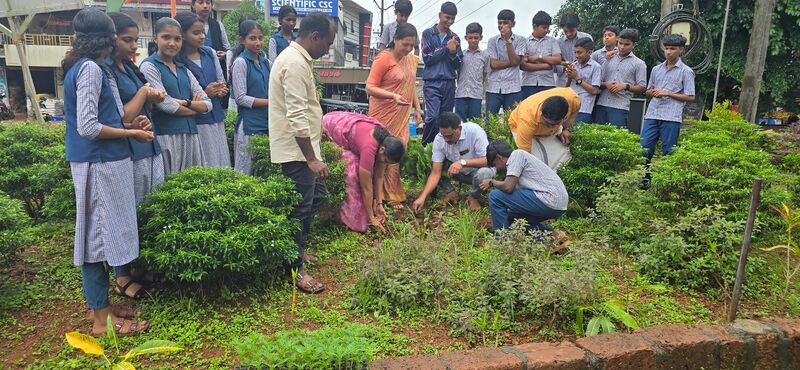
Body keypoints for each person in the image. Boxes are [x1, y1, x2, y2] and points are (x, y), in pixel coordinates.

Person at [63, 9, 152, 336]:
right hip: (98, 163)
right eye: (117, 34)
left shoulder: (96, 68)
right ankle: (101, 320)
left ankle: (101, 307)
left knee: (104, 237)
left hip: (107, 160)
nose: (121, 41)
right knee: (96, 242)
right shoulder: (89, 69)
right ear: (106, 37)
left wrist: (131, 124)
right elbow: (87, 127)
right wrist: (130, 134)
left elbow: (105, 119)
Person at [269, 12, 337, 295]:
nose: (328, 49)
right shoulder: (294, 63)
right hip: (297, 154)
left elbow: (305, 108)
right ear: (315, 37)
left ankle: (299, 251)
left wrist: (318, 130)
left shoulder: (299, 59)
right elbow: (296, 115)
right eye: (328, 43)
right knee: (299, 210)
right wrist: (311, 158)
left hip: (304, 148)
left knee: (314, 198)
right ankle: (294, 268)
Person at [107, 12, 166, 204]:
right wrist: (143, 93)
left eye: (135, 40)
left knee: (154, 202)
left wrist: (152, 97)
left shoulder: (129, 66)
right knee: (136, 206)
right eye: (127, 40)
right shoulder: (105, 70)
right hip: (130, 148)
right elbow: (122, 117)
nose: (133, 46)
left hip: (148, 141)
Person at [141, 17, 213, 175]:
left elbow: (208, 105)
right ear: (155, 38)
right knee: (170, 183)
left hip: (191, 135)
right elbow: (165, 105)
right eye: (166, 37)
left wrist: (184, 103)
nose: (172, 43)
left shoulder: (183, 69)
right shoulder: (149, 66)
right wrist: (195, 108)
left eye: (177, 39)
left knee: (192, 184)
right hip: (166, 135)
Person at [366, 23, 422, 208]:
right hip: (383, 115)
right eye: (404, 44)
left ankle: (392, 195)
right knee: (381, 152)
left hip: (402, 115)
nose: (408, 49)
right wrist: (392, 96)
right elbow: (370, 88)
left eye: (411, 46)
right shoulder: (383, 59)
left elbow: (411, 84)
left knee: (398, 151)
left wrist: (418, 108)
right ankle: (375, 196)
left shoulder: (411, 60)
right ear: (395, 40)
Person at [322, 112, 406, 232]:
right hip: (331, 127)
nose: (386, 164)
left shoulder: (388, 142)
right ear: (382, 150)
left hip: (352, 132)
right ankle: (345, 220)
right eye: (386, 161)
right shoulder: (370, 147)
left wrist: (379, 204)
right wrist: (371, 218)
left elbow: (378, 176)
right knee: (353, 172)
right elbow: (365, 187)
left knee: (366, 173)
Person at [175, 12, 230, 168]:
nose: (202, 37)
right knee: (205, 164)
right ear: (183, 35)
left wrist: (221, 89)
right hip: (197, 121)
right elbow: (181, 94)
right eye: (196, 33)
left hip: (217, 116)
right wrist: (206, 92)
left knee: (221, 162)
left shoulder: (210, 53)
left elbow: (221, 79)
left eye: (202, 32)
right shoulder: (178, 61)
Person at [480, 140, 568, 237]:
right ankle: (554, 236)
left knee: (495, 196)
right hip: (558, 205)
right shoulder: (517, 164)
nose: (497, 168)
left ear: (499, 157)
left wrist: (491, 182)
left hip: (549, 198)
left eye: (495, 164)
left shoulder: (517, 155)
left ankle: (501, 240)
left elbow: (508, 187)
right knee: (514, 220)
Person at [411, 112, 496, 213]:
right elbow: (435, 172)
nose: (446, 140)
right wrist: (422, 197)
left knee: (485, 173)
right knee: (429, 165)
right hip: (457, 172)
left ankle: (473, 196)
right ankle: (451, 192)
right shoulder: (439, 139)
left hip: (476, 172)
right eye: (443, 136)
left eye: (449, 136)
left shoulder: (474, 131)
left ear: (459, 128)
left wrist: (462, 162)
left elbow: (488, 160)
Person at [640, 34, 695, 188]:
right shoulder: (656, 69)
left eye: (673, 49)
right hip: (653, 113)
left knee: (668, 151)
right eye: (667, 48)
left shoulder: (686, 71)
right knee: (644, 147)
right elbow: (648, 90)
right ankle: (644, 179)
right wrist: (653, 92)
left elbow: (690, 96)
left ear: (681, 50)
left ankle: (665, 183)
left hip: (671, 116)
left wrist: (668, 93)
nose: (669, 52)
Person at [420, 1, 462, 145]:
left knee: (446, 120)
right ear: (440, 15)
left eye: (452, 18)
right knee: (432, 117)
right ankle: (426, 146)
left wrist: (452, 52)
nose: (449, 21)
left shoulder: (455, 38)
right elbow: (427, 58)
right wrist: (446, 48)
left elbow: (458, 64)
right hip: (432, 82)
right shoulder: (427, 34)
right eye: (447, 17)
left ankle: (442, 148)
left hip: (449, 83)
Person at [231, 20, 270, 175]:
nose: (258, 42)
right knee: (245, 171)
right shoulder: (240, 62)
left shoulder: (265, 62)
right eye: (252, 38)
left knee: (263, 172)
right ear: (242, 40)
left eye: (260, 38)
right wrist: (271, 102)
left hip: (266, 123)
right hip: (249, 125)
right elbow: (241, 98)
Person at [594, 28, 647, 128]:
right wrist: (606, 84)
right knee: (598, 137)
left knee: (616, 138)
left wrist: (625, 86)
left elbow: (643, 87)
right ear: (617, 41)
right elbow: (596, 81)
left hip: (621, 107)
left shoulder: (639, 64)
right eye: (620, 43)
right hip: (601, 104)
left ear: (634, 45)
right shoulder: (608, 58)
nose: (622, 47)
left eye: (626, 44)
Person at [508, 87, 580, 153]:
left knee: (562, 155)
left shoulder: (572, 99)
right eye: (547, 122)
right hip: (521, 127)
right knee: (535, 157)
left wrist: (566, 129)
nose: (549, 126)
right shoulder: (526, 119)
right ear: (541, 113)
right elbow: (524, 153)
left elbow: (576, 109)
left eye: (554, 124)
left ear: (563, 118)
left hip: (550, 132)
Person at [485, 9, 526, 118]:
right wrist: (515, 62)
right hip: (494, 87)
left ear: (513, 24)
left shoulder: (521, 40)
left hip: (513, 88)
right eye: (500, 22)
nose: (502, 25)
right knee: (490, 121)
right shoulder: (492, 41)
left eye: (506, 23)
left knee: (513, 121)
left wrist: (508, 41)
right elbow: (493, 64)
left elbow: (515, 61)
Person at [519, 10, 562, 99]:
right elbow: (523, 66)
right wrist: (546, 66)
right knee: (529, 111)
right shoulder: (524, 42)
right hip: (528, 84)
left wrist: (539, 57)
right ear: (535, 26)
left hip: (548, 84)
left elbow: (557, 60)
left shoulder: (552, 41)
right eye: (544, 28)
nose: (546, 30)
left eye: (548, 28)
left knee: (548, 112)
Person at [455, 22, 488, 122]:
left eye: (476, 37)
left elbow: (484, 74)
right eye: (470, 38)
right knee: (460, 122)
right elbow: (458, 73)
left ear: (481, 37)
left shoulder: (484, 56)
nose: (473, 40)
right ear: (466, 38)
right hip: (461, 94)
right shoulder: (461, 55)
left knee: (475, 122)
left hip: (476, 95)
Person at [566, 37, 602, 124]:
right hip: (570, 106)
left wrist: (577, 78)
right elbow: (567, 88)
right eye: (575, 52)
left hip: (584, 108)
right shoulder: (573, 65)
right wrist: (569, 77)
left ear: (589, 52)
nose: (577, 55)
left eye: (580, 52)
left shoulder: (596, 67)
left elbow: (595, 90)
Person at [555, 12, 593, 87]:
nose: (569, 34)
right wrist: (565, 65)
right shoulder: (558, 42)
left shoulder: (586, 38)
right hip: (563, 81)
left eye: (571, 31)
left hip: (583, 80)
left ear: (578, 26)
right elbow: (556, 64)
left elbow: (591, 59)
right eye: (565, 31)